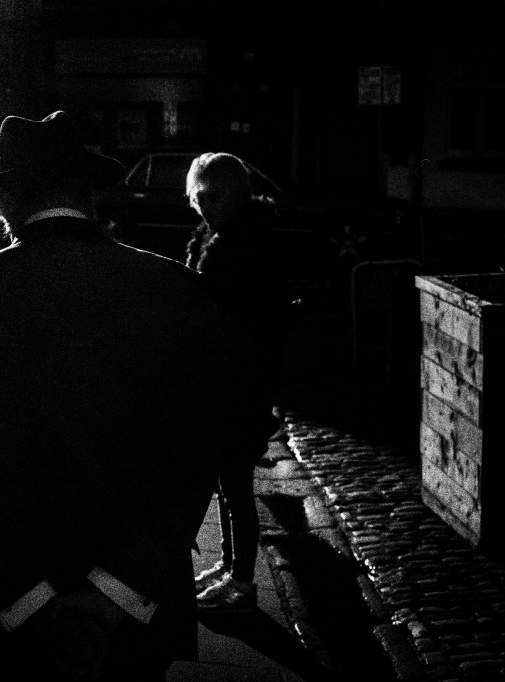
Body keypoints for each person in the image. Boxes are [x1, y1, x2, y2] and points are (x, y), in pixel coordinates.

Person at [0, 112, 275, 681]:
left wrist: (31, 599)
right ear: (92, 193)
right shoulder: (176, 292)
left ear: (4, 203)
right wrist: (111, 595)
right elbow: (197, 453)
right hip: (131, 620)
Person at [184, 152, 292, 611]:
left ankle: (243, 582)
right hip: (225, 383)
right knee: (227, 487)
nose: (202, 205)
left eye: (211, 196)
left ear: (232, 194)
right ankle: (230, 566)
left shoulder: (242, 245)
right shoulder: (221, 237)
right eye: (198, 196)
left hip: (237, 386)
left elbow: (249, 322)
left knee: (236, 489)